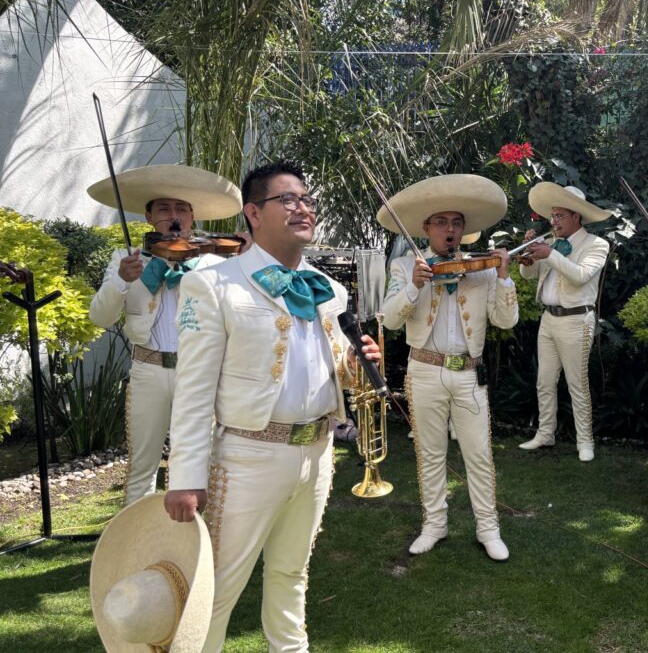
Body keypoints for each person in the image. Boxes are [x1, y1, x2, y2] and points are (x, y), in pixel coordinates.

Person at [163, 160, 380, 651]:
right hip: (247, 457)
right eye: (288, 199)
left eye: (306, 199)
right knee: (213, 588)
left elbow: (333, 373)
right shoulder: (214, 284)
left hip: (318, 453)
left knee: (291, 573)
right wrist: (185, 477)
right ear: (253, 214)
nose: (302, 207)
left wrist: (356, 363)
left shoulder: (330, 289)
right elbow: (194, 390)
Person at [379, 174, 518, 561]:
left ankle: (488, 529)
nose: (450, 230)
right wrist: (415, 286)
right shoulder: (406, 266)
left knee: (478, 452)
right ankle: (434, 525)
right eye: (441, 222)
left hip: (469, 372)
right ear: (426, 228)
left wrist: (504, 278)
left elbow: (505, 322)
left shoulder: (484, 268)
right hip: (423, 371)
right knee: (430, 452)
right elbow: (389, 320)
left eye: (457, 223)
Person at [87, 165, 242, 504]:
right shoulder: (126, 260)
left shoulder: (212, 261)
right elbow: (99, 317)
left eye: (181, 209)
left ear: (191, 216)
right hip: (148, 370)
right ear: (148, 216)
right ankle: (137, 545)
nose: (174, 216)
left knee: (200, 464)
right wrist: (121, 282)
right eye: (164, 209)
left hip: (199, 372)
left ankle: (194, 545)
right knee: (142, 467)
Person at [518, 183, 610, 462]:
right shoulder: (552, 244)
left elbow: (581, 275)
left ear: (576, 217)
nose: (553, 221)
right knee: (544, 381)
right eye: (552, 216)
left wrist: (550, 254)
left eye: (559, 216)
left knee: (577, 383)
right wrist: (527, 257)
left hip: (577, 320)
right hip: (549, 318)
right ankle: (546, 433)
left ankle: (585, 441)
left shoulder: (596, 244)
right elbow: (527, 275)